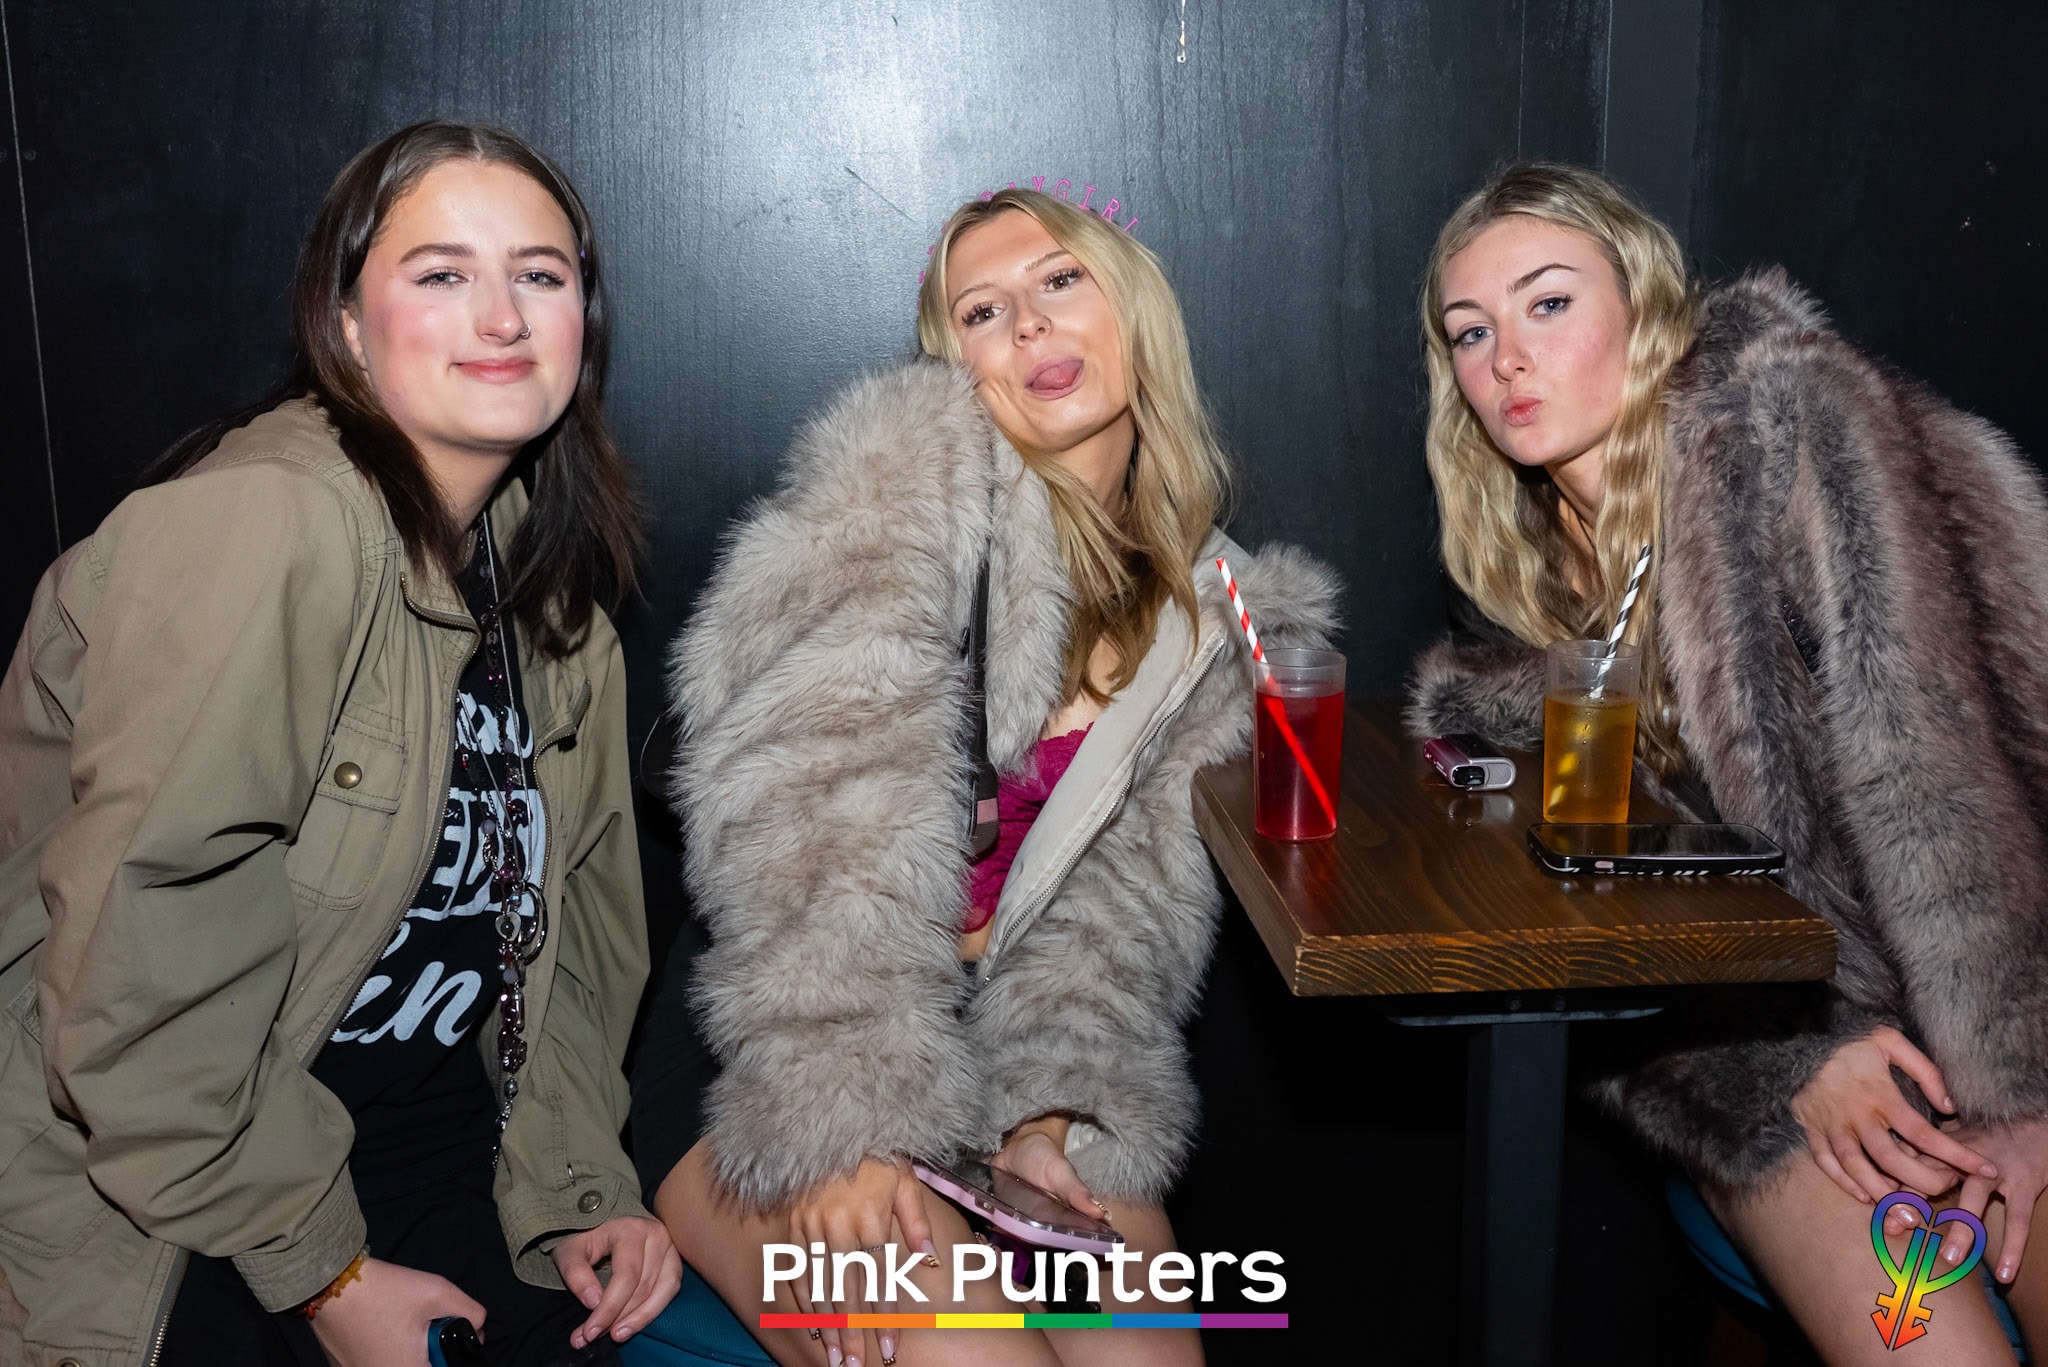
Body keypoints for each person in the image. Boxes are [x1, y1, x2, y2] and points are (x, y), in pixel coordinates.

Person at [0, 121, 680, 1366]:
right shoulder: (263, 525)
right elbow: (133, 974)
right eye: (441, 273)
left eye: (539, 274)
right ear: (348, 324)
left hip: (426, 1156)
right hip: (173, 1191)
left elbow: (567, 944)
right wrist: (329, 1274)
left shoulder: (553, 598)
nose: (502, 317)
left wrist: (581, 1184)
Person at [646, 187, 1339, 1367]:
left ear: (1132, 307)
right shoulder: (898, 494)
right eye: (982, 309)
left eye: (1060, 280)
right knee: (973, 1351)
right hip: (781, 1058)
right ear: (955, 362)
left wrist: (1046, 1118)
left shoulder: (1220, 614)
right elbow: (795, 835)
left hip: (1013, 1062)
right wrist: (845, 1123)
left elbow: (1122, 921)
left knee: (1147, 1352)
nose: (1027, 323)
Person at [1405, 160, 2048, 1364]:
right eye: (1470, 330)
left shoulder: (1786, 433)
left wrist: (2018, 1090)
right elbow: (1575, 922)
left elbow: (1954, 779)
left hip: (2004, 1003)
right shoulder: (1515, 588)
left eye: (1547, 303)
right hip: (1765, 1051)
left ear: (1645, 307)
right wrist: (1780, 1061)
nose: (1507, 359)